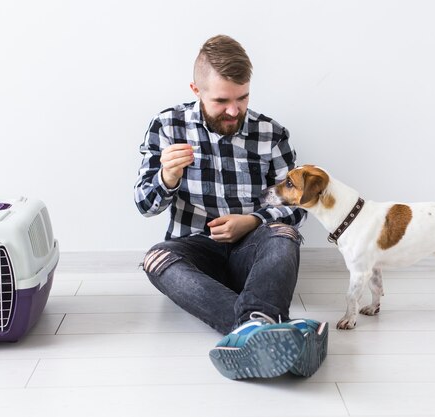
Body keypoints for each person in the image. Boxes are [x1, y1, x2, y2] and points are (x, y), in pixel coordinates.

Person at [134, 34, 327, 380]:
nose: (234, 110)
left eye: (242, 98)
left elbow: (298, 207)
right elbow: (145, 205)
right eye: (222, 100)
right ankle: (262, 326)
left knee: (284, 232)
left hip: (252, 254)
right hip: (196, 253)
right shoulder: (166, 126)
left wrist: (252, 221)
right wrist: (167, 176)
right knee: (155, 259)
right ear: (196, 90)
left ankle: (252, 331)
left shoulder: (272, 133)